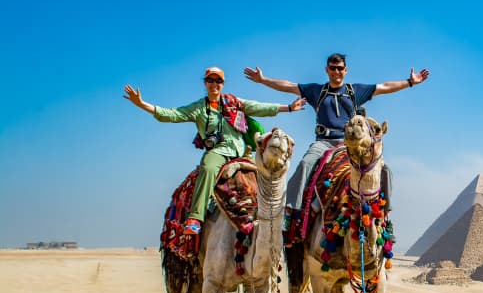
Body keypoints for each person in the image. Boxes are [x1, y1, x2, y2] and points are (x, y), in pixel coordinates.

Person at [123, 66, 306, 236]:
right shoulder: (198, 108)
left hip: (242, 153)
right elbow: (171, 114)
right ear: (205, 83)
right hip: (218, 153)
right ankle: (196, 217)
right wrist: (141, 104)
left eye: (218, 81)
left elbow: (259, 107)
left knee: (267, 174)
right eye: (210, 80)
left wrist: (289, 108)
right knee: (208, 168)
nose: (214, 84)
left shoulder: (234, 102)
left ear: (223, 84)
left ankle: (278, 217)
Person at [243, 53, 430, 218]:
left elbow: (384, 87)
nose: (336, 72)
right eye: (333, 68)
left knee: (385, 169)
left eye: (340, 68)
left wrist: (410, 82)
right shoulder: (317, 91)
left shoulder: (355, 91)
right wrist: (263, 80)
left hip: (350, 145)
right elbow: (288, 86)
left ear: (345, 70)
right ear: (327, 70)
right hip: (323, 143)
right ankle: (290, 211)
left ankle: (385, 215)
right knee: (306, 163)